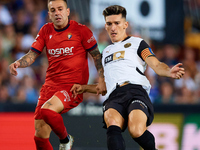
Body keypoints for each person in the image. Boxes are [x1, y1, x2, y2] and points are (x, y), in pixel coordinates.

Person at [70, 5, 185, 150]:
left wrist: (168, 71)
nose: (113, 28)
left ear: (125, 25)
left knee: (136, 130)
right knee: (112, 122)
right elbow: (103, 87)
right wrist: (84, 88)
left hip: (135, 91)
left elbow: (155, 64)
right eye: (109, 23)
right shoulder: (104, 53)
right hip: (114, 95)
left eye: (117, 23)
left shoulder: (138, 43)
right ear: (105, 26)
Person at [9, 0, 107, 150]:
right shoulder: (45, 30)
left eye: (60, 9)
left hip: (72, 87)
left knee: (47, 110)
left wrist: (101, 79)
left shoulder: (81, 30)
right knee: (40, 135)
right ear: (49, 15)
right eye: (53, 10)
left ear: (67, 11)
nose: (57, 13)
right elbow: (32, 55)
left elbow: (96, 56)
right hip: (50, 86)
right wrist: (18, 63)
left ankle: (66, 140)